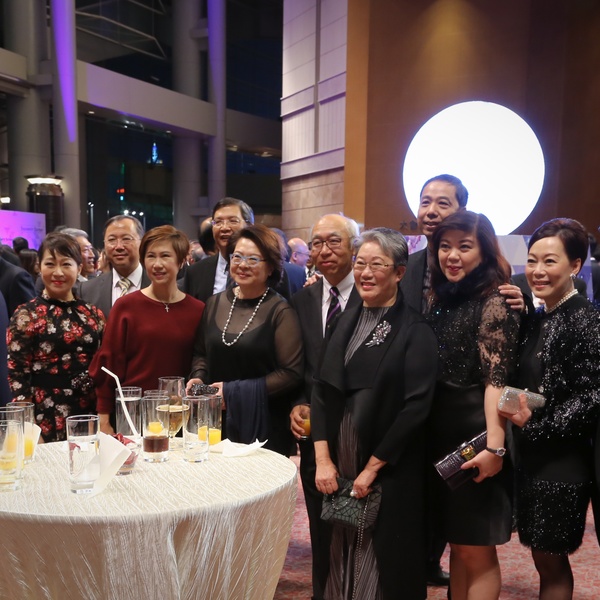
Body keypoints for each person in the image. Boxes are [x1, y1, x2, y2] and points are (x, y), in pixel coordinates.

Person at [312, 227, 438, 599]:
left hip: (387, 469)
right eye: (360, 263)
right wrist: (323, 459)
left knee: (381, 565)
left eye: (377, 265)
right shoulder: (343, 321)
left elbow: (416, 407)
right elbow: (322, 390)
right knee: (337, 554)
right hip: (337, 468)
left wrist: (371, 468)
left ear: (399, 272)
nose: (365, 273)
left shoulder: (414, 330)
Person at [500, 218, 600, 600]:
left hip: (563, 461)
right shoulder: (542, 316)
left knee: (551, 561)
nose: (538, 270)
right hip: (534, 455)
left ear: (575, 265)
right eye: (532, 261)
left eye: (550, 261)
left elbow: (592, 396)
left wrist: (535, 425)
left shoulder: (585, 319)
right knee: (544, 558)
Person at [427, 211, 520, 600]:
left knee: (476, 550)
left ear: (483, 251)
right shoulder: (442, 297)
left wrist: (494, 448)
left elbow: (496, 382)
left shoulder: (495, 300)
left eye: (464, 247)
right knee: (459, 546)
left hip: (475, 436)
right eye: (445, 246)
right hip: (440, 435)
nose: (452, 256)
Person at [289, 213, 362, 600]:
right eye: (317, 243)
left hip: (361, 429)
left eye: (334, 241)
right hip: (314, 429)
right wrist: (298, 403)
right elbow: (298, 365)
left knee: (359, 522)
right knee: (320, 522)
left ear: (354, 247)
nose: (324, 250)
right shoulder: (303, 299)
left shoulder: (371, 295)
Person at [187, 224, 303, 456]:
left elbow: (291, 372)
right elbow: (201, 353)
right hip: (215, 419)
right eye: (237, 257)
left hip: (263, 423)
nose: (242, 264)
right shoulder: (214, 303)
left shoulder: (281, 311)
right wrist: (198, 377)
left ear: (270, 267)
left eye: (253, 259)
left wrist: (232, 392)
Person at [90, 226, 205, 434]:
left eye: (165, 256)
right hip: (133, 415)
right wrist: (104, 419)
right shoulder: (126, 306)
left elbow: (200, 361)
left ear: (181, 261)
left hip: (179, 415)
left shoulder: (198, 309)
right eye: (151, 256)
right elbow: (109, 364)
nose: (157, 264)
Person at [6, 233, 105, 442]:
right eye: (50, 264)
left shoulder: (93, 314)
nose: (58, 272)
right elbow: (17, 374)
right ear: (39, 267)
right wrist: (29, 428)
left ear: (79, 268)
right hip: (45, 414)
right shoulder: (26, 315)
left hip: (89, 411)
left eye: (66, 264)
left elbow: (103, 365)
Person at [180, 197, 293, 302]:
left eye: (233, 221)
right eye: (218, 222)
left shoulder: (271, 270)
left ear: (250, 225)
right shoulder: (195, 272)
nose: (224, 228)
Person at [79, 215, 150, 318]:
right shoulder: (87, 290)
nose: (119, 246)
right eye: (112, 240)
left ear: (142, 242)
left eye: (126, 239)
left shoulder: (159, 286)